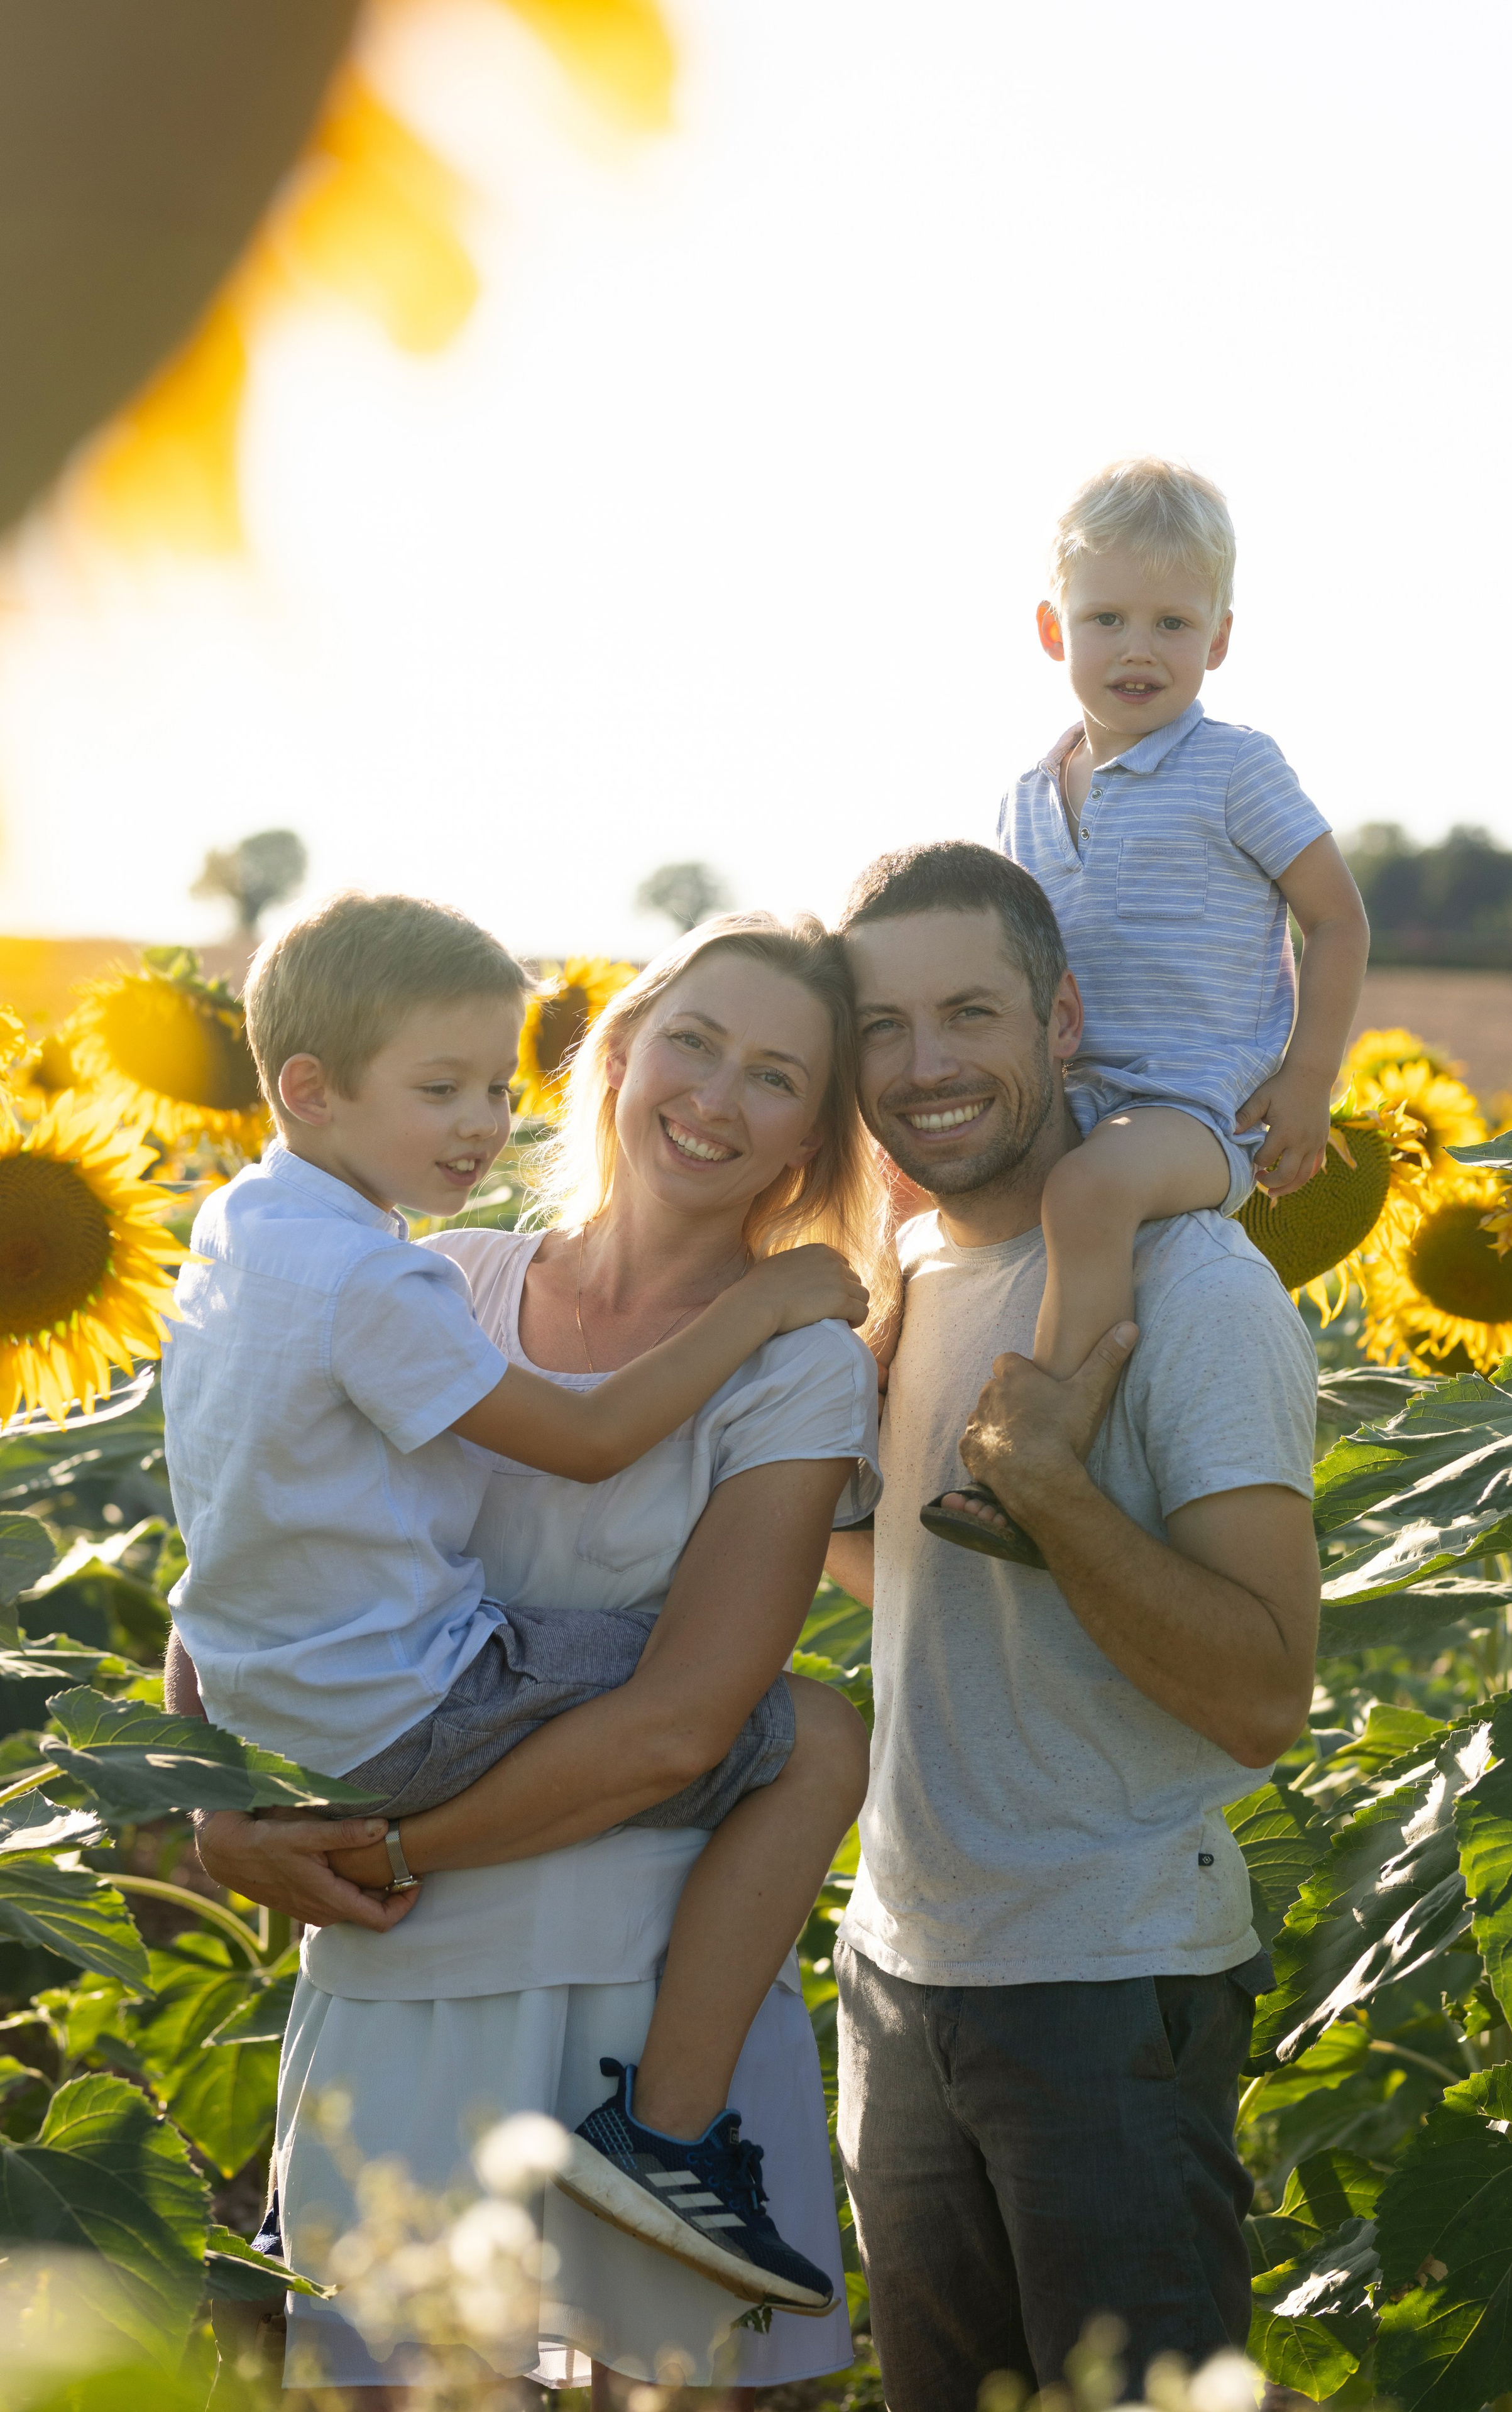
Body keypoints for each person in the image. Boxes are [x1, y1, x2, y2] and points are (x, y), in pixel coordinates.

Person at [182, 911, 892, 2402]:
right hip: (400, 1995)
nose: (714, 1093)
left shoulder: (797, 1358)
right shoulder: (429, 1279)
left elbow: (678, 1726)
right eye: (692, 1041)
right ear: (620, 1050)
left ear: (810, 1139)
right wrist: (218, 1813)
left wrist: (370, 1842)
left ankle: (675, 2136)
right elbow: (255, 1538)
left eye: (775, 1076)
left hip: (643, 2007)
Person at [827, 841, 1321, 2406]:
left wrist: (1053, 1492)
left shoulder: (1187, 1287)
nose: (923, 1065)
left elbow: (1259, 1691)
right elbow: (917, 1581)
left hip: (1105, 1979)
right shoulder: (906, 1271)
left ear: (1060, 1020)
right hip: (897, 1969)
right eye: (882, 1027)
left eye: (968, 1011)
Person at [923, 456, 1367, 1567]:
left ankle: (1044, 1455)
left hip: (1192, 1107)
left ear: (1219, 639)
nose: (1137, 648)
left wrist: (1308, 1079)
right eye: (1106, 617)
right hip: (1065, 1093)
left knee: (1090, 1190)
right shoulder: (1026, 795)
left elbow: (1340, 918)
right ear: (1049, 628)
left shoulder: (1234, 769)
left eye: (1172, 622)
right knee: (923, 1199)